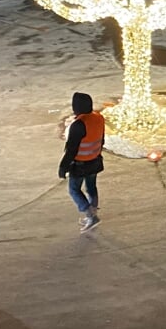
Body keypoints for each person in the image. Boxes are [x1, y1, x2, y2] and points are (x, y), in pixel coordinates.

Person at [59, 92, 105, 233]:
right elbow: (102, 139)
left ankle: (90, 215)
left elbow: (71, 150)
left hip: (80, 164)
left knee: (74, 190)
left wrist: (63, 168)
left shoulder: (78, 125)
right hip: (95, 161)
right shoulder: (99, 118)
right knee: (91, 187)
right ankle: (93, 213)